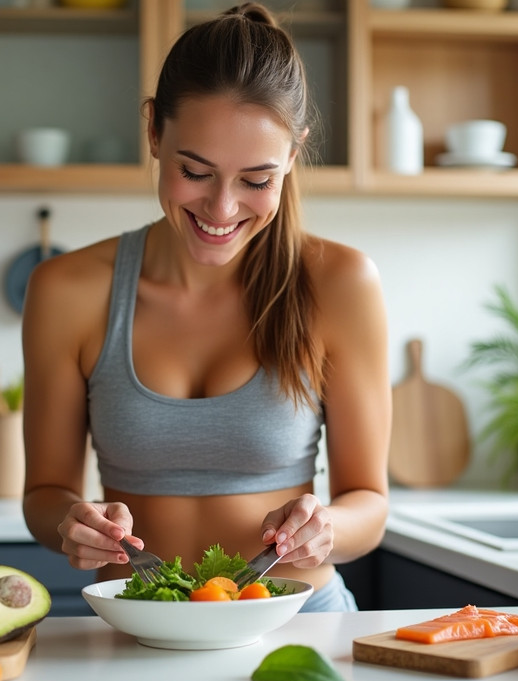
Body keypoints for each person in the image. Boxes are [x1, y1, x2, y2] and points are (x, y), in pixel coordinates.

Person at [20, 3, 390, 612]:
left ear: (293, 155)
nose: (221, 210)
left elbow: (368, 505)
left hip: (297, 619)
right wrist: (72, 522)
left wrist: (326, 528)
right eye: (195, 171)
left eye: (255, 180)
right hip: (142, 619)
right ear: (154, 134)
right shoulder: (66, 290)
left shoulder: (342, 283)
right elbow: (44, 493)